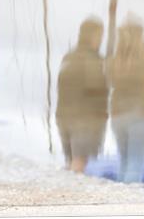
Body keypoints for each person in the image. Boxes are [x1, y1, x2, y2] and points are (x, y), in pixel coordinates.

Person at [109, 15, 144, 183]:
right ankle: (129, 206)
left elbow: (109, 79)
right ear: (140, 35)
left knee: (124, 161)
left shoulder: (114, 60)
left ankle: (119, 201)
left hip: (118, 113)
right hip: (141, 112)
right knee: (135, 163)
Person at [56, 17, 108, 173]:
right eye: (100, 35)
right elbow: (96, 88)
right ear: (92, 35)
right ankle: (76, 196)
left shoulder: (69, 57)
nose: (100, 40)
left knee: (71, 162)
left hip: (64, 117)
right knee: (81, 164)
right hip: (86, 120)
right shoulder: (93, 60)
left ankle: (66, 195)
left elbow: (61, 86)